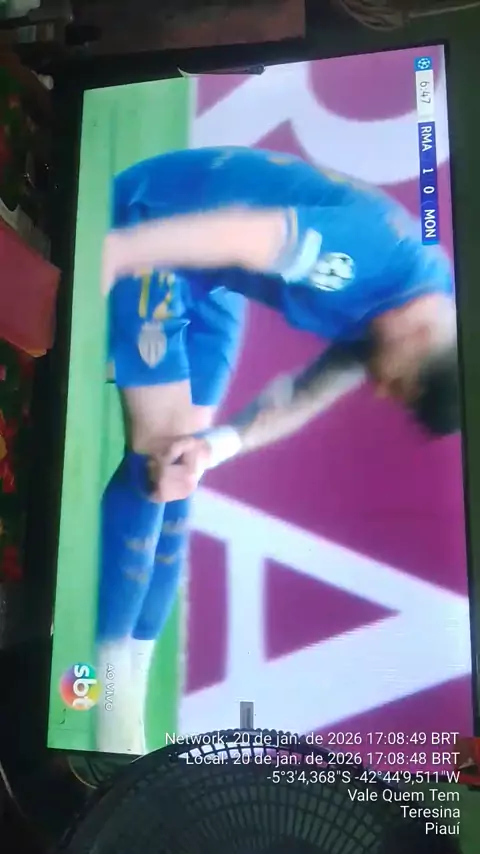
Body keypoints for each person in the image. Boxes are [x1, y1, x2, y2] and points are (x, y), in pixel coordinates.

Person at [97, 146, 459, 756]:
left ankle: (133, 664)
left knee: (184, 464)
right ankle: (107, 690)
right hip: (158, 224)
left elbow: (302, 397)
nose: (380, 389)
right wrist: (115, 255)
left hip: (212, 279)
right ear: (421, 338)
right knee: (158, 451)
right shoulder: (375, 259)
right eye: (397, 384)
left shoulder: (412, 315)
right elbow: (246, 234)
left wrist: (215, 446)